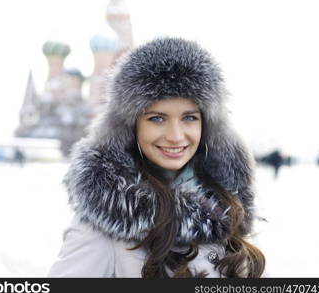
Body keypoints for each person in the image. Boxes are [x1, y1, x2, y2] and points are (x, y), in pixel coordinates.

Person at [48, 37, 265, 278]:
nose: (175, 136)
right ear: (131, 127)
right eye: (157, 118)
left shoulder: (228, 204)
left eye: (189, 118)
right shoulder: (106, 224)